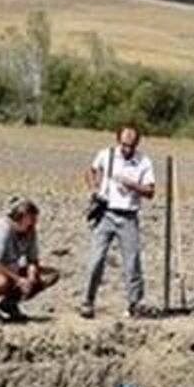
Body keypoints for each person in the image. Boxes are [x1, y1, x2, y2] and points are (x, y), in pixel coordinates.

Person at [78, 124, 157, 320]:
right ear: (118, 141)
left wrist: (132, 185)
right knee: (96, 259)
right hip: (106, 214)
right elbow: (91, 171)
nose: (127, 149)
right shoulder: (107, 155)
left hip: (128, 217)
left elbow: (150, 191)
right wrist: (94, 189)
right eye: (124, 144)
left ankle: (134, 304)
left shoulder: (143, 162)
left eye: (131, 145)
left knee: (132, 263)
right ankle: (87, 302)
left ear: (137, 143)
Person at [0, 199, 60, 324]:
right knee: (1, 281)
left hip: (12, 270)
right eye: (31, 220)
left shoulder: (30, 231)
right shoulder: (1, 230)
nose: (34, 224)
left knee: (50, 275)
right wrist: (19, 280)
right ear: (20, 218)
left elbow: (32, 260)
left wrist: (31, 278)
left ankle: (9, 304)